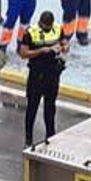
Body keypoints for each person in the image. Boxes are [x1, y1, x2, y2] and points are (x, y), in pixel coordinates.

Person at [19, 10, 68, 148]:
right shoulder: (31, 32)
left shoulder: (57, 28)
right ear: (40, 23)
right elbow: (23, 53)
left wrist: (64, 47)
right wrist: (41, 50)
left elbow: (64, 41)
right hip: (37, 74)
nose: (47, 28)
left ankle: (51, 136)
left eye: (49, 26)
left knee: (50, 107)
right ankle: (28, 138)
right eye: (45, 26)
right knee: (32, 107)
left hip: (52, 73)